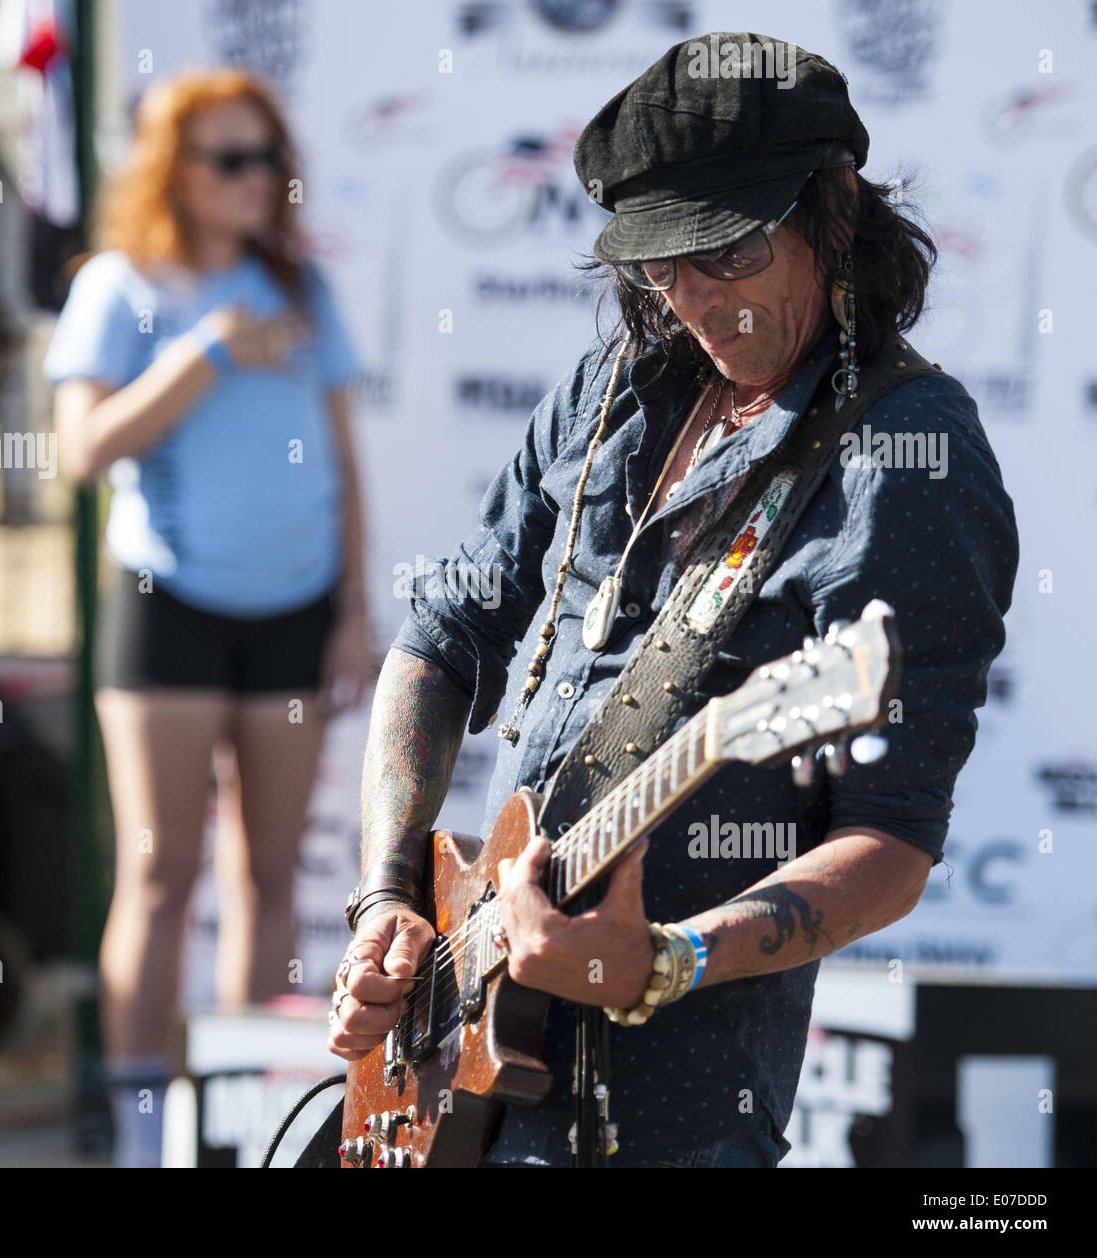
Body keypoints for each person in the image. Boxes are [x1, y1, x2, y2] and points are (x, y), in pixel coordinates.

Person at [325, 33, 1018, 1168]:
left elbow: (888, 840)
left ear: (834, 209)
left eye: (728, 254)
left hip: (663, 1124)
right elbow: (442, 634)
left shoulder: (906, 456)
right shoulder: (612, 390)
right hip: (450, 1079)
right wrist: (389, 899)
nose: (693, 299)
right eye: (660, 265)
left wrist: (661, 960)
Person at [43, 68, 367, 1166]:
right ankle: (140, 1126)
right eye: (231, 158)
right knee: (157, 871)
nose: (258, 178)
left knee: (272, 872)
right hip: (166, 609)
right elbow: (82, 451)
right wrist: (206, 352)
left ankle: (248, 1110)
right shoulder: (120, 287)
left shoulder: (303, 288)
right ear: (172, 173)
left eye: (267, 156)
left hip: (295, 614)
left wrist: (352, 611)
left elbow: (343, 463)